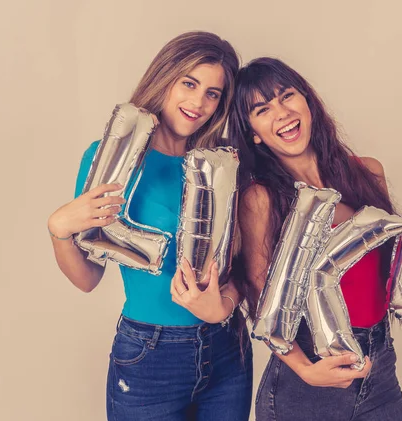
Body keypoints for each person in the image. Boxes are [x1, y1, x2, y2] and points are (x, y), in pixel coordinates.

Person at [228, 57, 402, 421]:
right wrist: (305, 369)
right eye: (263, 109)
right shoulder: (261, 199)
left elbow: (393, 279)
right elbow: (258, 294)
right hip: (306, 385)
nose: (282, 113)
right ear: (253, 131)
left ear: (307, 100)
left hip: (379, 370)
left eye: (287, 96)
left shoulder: (367, 173)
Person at [47, 31, 252, 421]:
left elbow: (246, 265)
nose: (198, 103)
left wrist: (222, 304)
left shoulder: (224, 165)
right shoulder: (111, 158)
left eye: (213, 93)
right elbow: (88, 279)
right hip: (150, 352)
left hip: (228, 349)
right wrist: (59, 230)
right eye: (189, 84)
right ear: (165, 77)